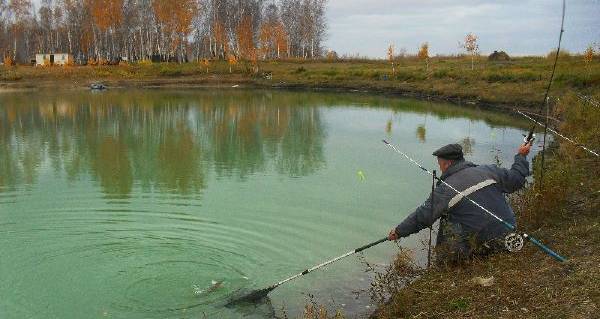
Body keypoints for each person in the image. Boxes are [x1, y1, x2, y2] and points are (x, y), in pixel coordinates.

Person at [388, 142, 532, 264]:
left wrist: (399, 231)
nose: (440, 168)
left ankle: (447, 264)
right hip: (509, 234)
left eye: (440, 164)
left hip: (481, 245)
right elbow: (517, 179)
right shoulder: (489, 170)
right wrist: (521, 156)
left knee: (448, 222)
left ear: (447, 163)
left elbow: (423, 216)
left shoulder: (445, 189)